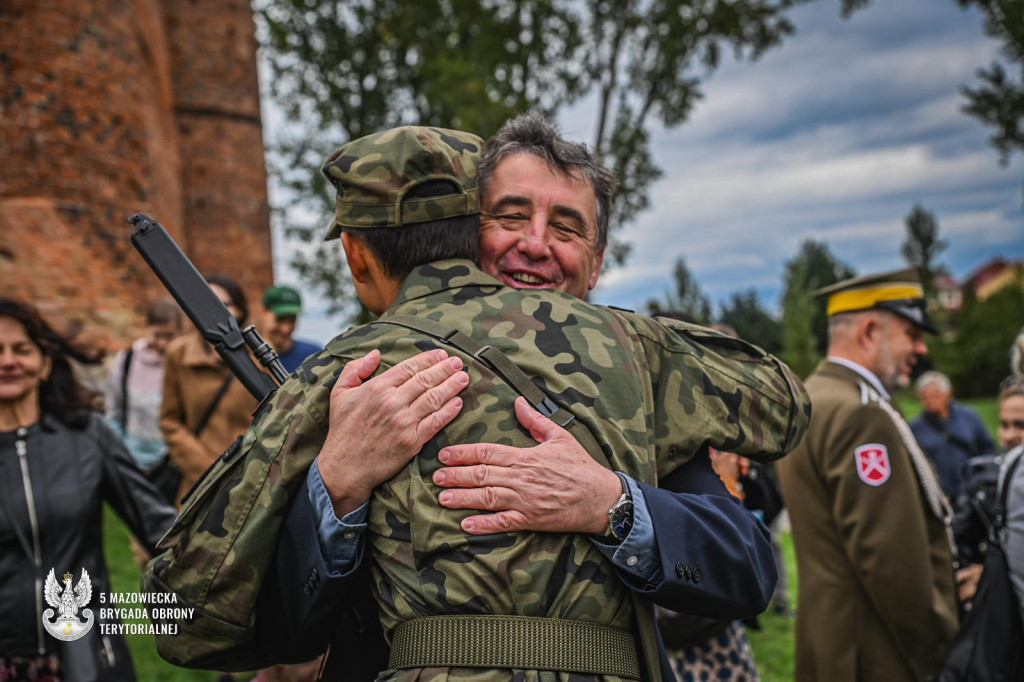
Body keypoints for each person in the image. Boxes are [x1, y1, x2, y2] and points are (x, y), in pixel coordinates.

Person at [223, 123, 810, 682]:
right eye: (509, 216)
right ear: (461, 235)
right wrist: (337, 485)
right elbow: (228, 612)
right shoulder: (366, 376)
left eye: (566, 227)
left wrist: (612, 503)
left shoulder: (635, 379)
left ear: (597, 263)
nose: (534, 244)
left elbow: (750, 569)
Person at [777, 267, 959, 682]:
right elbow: (892, 564)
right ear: (870, 331)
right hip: (878, 653)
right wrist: (943, 655)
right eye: (911, 334)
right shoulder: (860, 414)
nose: (920, 348)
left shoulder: (813, 397)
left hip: (833, 643)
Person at [0, 298, 176, 681]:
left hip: (87, 655)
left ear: (45, 364)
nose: (9, 361)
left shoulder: (88, 436)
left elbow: (163, 528)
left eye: (22, 349)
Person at [160, 274, 259, 504]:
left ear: (240, 311)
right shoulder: (179, 354)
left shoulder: (258, 355)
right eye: (207, 304)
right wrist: (208, 470)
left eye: (225, 305)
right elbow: (170, 420)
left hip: (249, 481)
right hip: (198, 483)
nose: (214, 312)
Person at [910, 370, 995, 498]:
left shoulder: (969, 416)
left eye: (936, 395)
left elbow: (988, 448)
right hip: (941, 495)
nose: (931, 401)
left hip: (973, 491)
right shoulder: (916, 427)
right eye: (925, 397)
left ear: (949, 395)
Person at [260, 285, 322, 374]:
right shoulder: (243, 358)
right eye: (280, 319)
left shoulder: (314, 356)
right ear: (263, 312)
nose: (286, 329)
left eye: (292, 320)